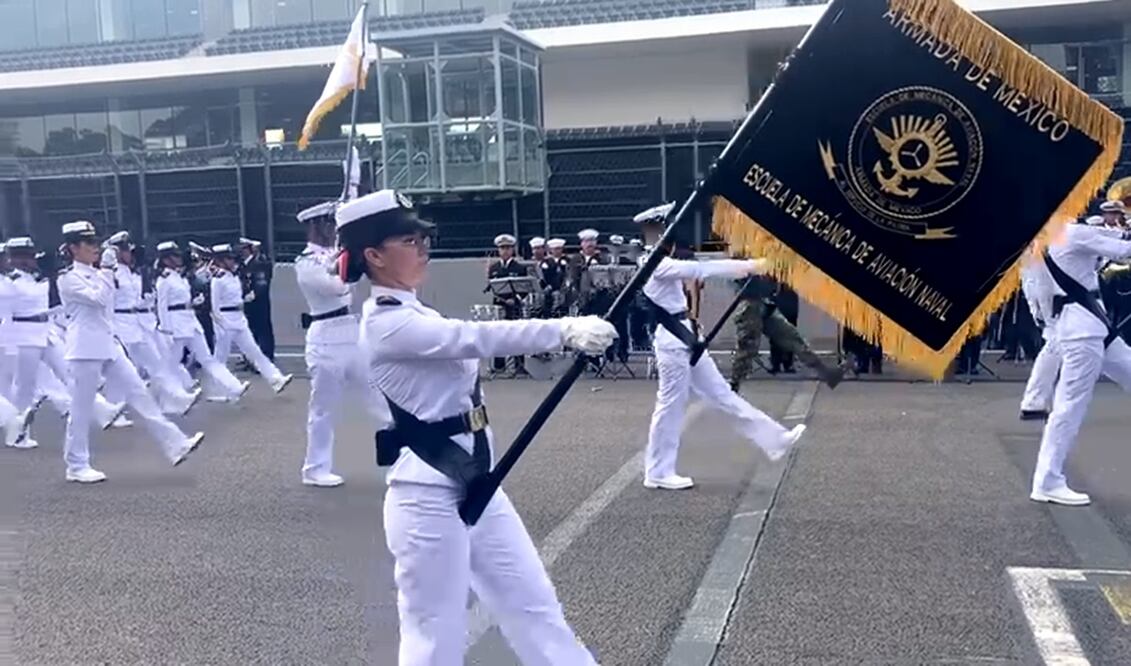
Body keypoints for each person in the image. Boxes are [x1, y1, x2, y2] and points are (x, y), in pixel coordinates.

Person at [338, 189, 611, 665]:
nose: (423, 245)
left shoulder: (415, 309)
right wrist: (562, 329)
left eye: (425, 236)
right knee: (435, 632)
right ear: (374, 255)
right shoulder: (386, 325)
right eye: (409, 238)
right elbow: (473, 337)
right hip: (426, 492)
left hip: (479, 479)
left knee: (534, 605)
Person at [634, 203, 806, 490]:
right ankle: (658, 472)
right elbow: (705, 269)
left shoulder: (660, 259)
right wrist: (755, 265)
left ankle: (774, 439)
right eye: (668, 227)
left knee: (723, 395)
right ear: (658, 229)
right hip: (673, 343)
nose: (674, 232)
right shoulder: (657, 263)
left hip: (686, 337)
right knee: (670, 407)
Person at [56, 220, 205, 483]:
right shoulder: (68, 278)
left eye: (96, 243)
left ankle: (175, 443)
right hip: (84, 349)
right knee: (81, 409)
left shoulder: (97, 272)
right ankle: (76, 465)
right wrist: (106, 269)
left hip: (108, 343)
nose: (95, 248)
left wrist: (106, 271)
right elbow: (99, 299)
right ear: (73, 248)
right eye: (89, 243)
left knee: (139, 392)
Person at [1031, 218, 1131, 506]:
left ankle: (1047, 480)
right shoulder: (1071, 232)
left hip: (1089, 324)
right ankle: (1047, 481)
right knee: (1069, 406)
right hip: (1083, 328)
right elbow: (1124, 250)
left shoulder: (1049, 235)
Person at [294, 201, 391, 487]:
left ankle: (404, 458)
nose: (331, 229)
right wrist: (344, 264)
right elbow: (336, 287)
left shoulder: (334, 255)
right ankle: (314, 469)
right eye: (326, 223)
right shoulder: (306, 262)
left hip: (351, 331)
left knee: (379, 396)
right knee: (324, 409)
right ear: (314, 226)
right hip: (325, 336)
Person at [102, 231, 200, 416]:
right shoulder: (110, 274)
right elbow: (107, 303)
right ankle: (114, 409)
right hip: (119, 324)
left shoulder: (133, 273)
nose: (129, 253)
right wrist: (110, 329)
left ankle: (177, 398)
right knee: (122, 370)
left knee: (156, 363)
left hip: (137, 324)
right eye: (124, 250)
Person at [153, 241, 250, 404]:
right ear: (166, 259)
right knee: (171, 364)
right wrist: (166, 330)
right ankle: (170, 401)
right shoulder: (164, 279)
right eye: (174, 256)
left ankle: (233, 386)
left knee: (207, 359)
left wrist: (194, 301)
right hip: (175, 325)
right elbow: (161, 306)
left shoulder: (179, 277)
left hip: (190, 322)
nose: (179, 258)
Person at [729, 275, 849, 391]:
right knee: (747, 348)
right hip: (750, 304)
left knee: (792, 337)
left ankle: (826, 373)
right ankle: (733, 385)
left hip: (765, 302)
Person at [209, 243, 293, 394]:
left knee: (255, 352)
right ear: (220, 261)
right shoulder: (218, 280)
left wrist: (245, 301)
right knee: (220, 358)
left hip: (239, 318)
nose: (232, 261)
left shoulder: (233, 276)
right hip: (225, 319)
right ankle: (219, 389)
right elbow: (214, 308)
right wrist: (222, 325)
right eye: (228, 259)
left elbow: (238, 298)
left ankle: (276, 379)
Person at [486, 234, 529, 376]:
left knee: (517, 334)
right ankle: (499, 366)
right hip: (500, 304)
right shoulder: (494, 268)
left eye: (508, 248)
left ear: (513, 250)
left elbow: (524, 288)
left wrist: (515, 298)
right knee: (498, 334)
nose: (505, 251)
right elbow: (492, 287)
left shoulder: (519, 268)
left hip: (515, 305)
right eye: (502, 248)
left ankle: (519, 366)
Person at [239, 237, 275, 361]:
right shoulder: (244, 264)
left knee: (262, 329)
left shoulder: (259, 263)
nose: (241, 251)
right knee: (251, 330)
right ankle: (251, 359)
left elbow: (262, 282)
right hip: (248, 302)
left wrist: (253, 294)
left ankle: (266, 356)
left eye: (244, 248)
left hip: (259, 302)